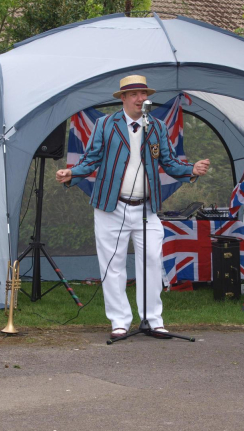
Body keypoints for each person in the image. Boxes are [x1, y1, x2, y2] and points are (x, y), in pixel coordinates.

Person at [56, 75, 210, 339]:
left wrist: (191, 170)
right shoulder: (105, 124)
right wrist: (72, 174)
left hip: (146, 209)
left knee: (151, 261)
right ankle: (119, 321)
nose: (141, 99)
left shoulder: (157, 127)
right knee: (112, 265)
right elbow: (90, 159)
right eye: (135, 94)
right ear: (124, 98)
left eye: (143, 94)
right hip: (110, 207)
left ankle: (152, 320)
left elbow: (170, 163)